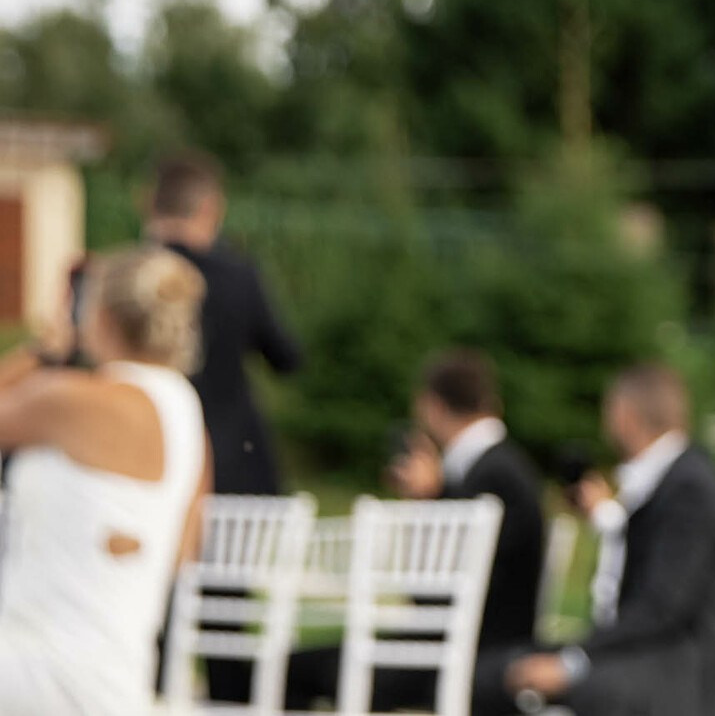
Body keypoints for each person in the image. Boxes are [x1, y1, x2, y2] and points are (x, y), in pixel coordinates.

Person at [0, 246, 212, 716]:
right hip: (116, 671)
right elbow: (184, 548)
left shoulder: (75, 400)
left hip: (39, 668)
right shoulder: (186, 412)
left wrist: (40, 351)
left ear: (102, 316)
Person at [286, 349, 546, 712]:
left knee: (294, 668)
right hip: (471, 643)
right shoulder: (500, 466)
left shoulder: (491, 473)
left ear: (431, 405)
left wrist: (436, 496)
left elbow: (439, 586)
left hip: (473, 651)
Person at [488, 364, 715, 716]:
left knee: (544, 683)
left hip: (675, 675)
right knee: (500, 669)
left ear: (625, 415)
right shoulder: (665, 481)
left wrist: (574, 661)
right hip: (643, 659)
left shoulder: (689, 488)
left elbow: (662, 607)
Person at [145, 150, 302, 496]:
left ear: (149, 204)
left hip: (152, 452)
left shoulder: (130, 278)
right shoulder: (239, 276)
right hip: (234, 460)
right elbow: (286, 358)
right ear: (209, 208)